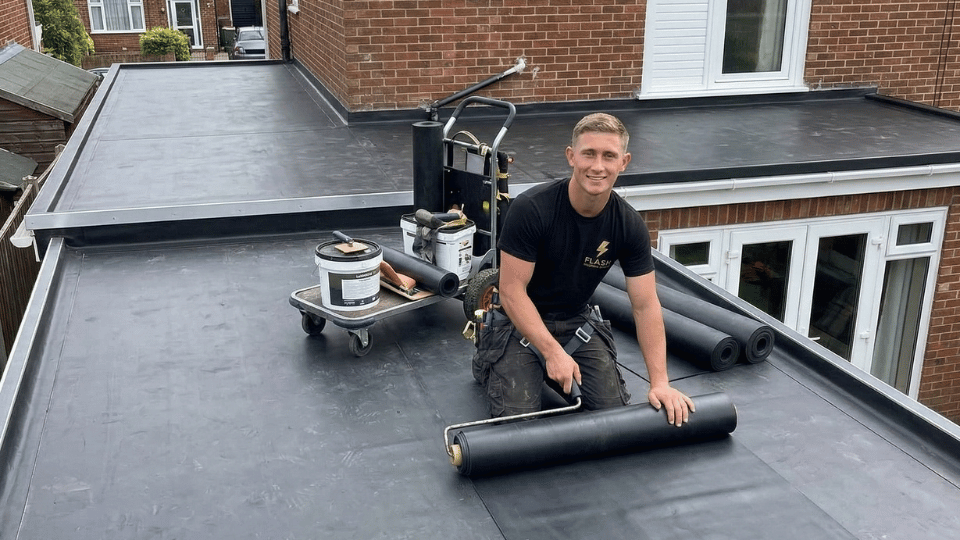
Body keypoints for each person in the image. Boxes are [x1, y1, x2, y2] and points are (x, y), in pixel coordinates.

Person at [472, 112, 695, 426]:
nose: (598, 166)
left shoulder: (628, 225)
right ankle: (489, 359)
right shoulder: (532, 209)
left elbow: (645, 305)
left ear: (624, 162)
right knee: (519, 428)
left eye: (609, 156)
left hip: (576, 321)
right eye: (588, 153)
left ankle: (547, 367)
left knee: (615, 418)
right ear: (571, 156)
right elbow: (511, 292)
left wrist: (660, 382)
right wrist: (552, 352)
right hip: (516, 323)